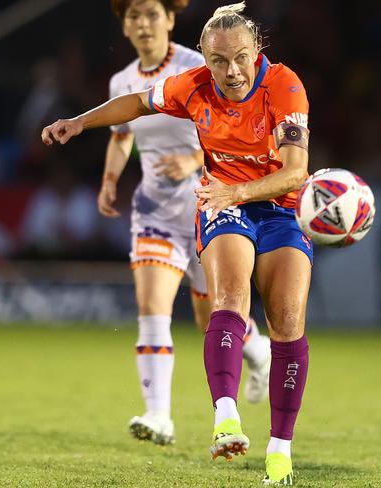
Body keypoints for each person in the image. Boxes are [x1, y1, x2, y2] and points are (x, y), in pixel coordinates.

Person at [42, 2, 311, 484]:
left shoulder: (284, 85)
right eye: (218, 62)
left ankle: (280, 449)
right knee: (226, 298)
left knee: (287, 322)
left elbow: (294, 172)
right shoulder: (193, 85)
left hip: (279, 207)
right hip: (221, 203)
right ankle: (224, 417)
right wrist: (80, 122)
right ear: (204, 60)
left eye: (241, 58)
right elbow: (137, 103)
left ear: (258, 52)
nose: (231, 71)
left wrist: (239, 189)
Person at [100, 0, 272, 447]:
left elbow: (236, 125)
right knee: (152, 309)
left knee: (211, 317)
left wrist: (194, 157)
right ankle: (159, 417)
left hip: (210, 207)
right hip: (154, 211)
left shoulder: (199, 64)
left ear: (171, 20)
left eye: (151, 14)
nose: (143, 24)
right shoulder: (123, 81)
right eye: (133, 17)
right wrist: (110, 180)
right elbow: (122, 137)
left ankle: (261, 352)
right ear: (124, 27)